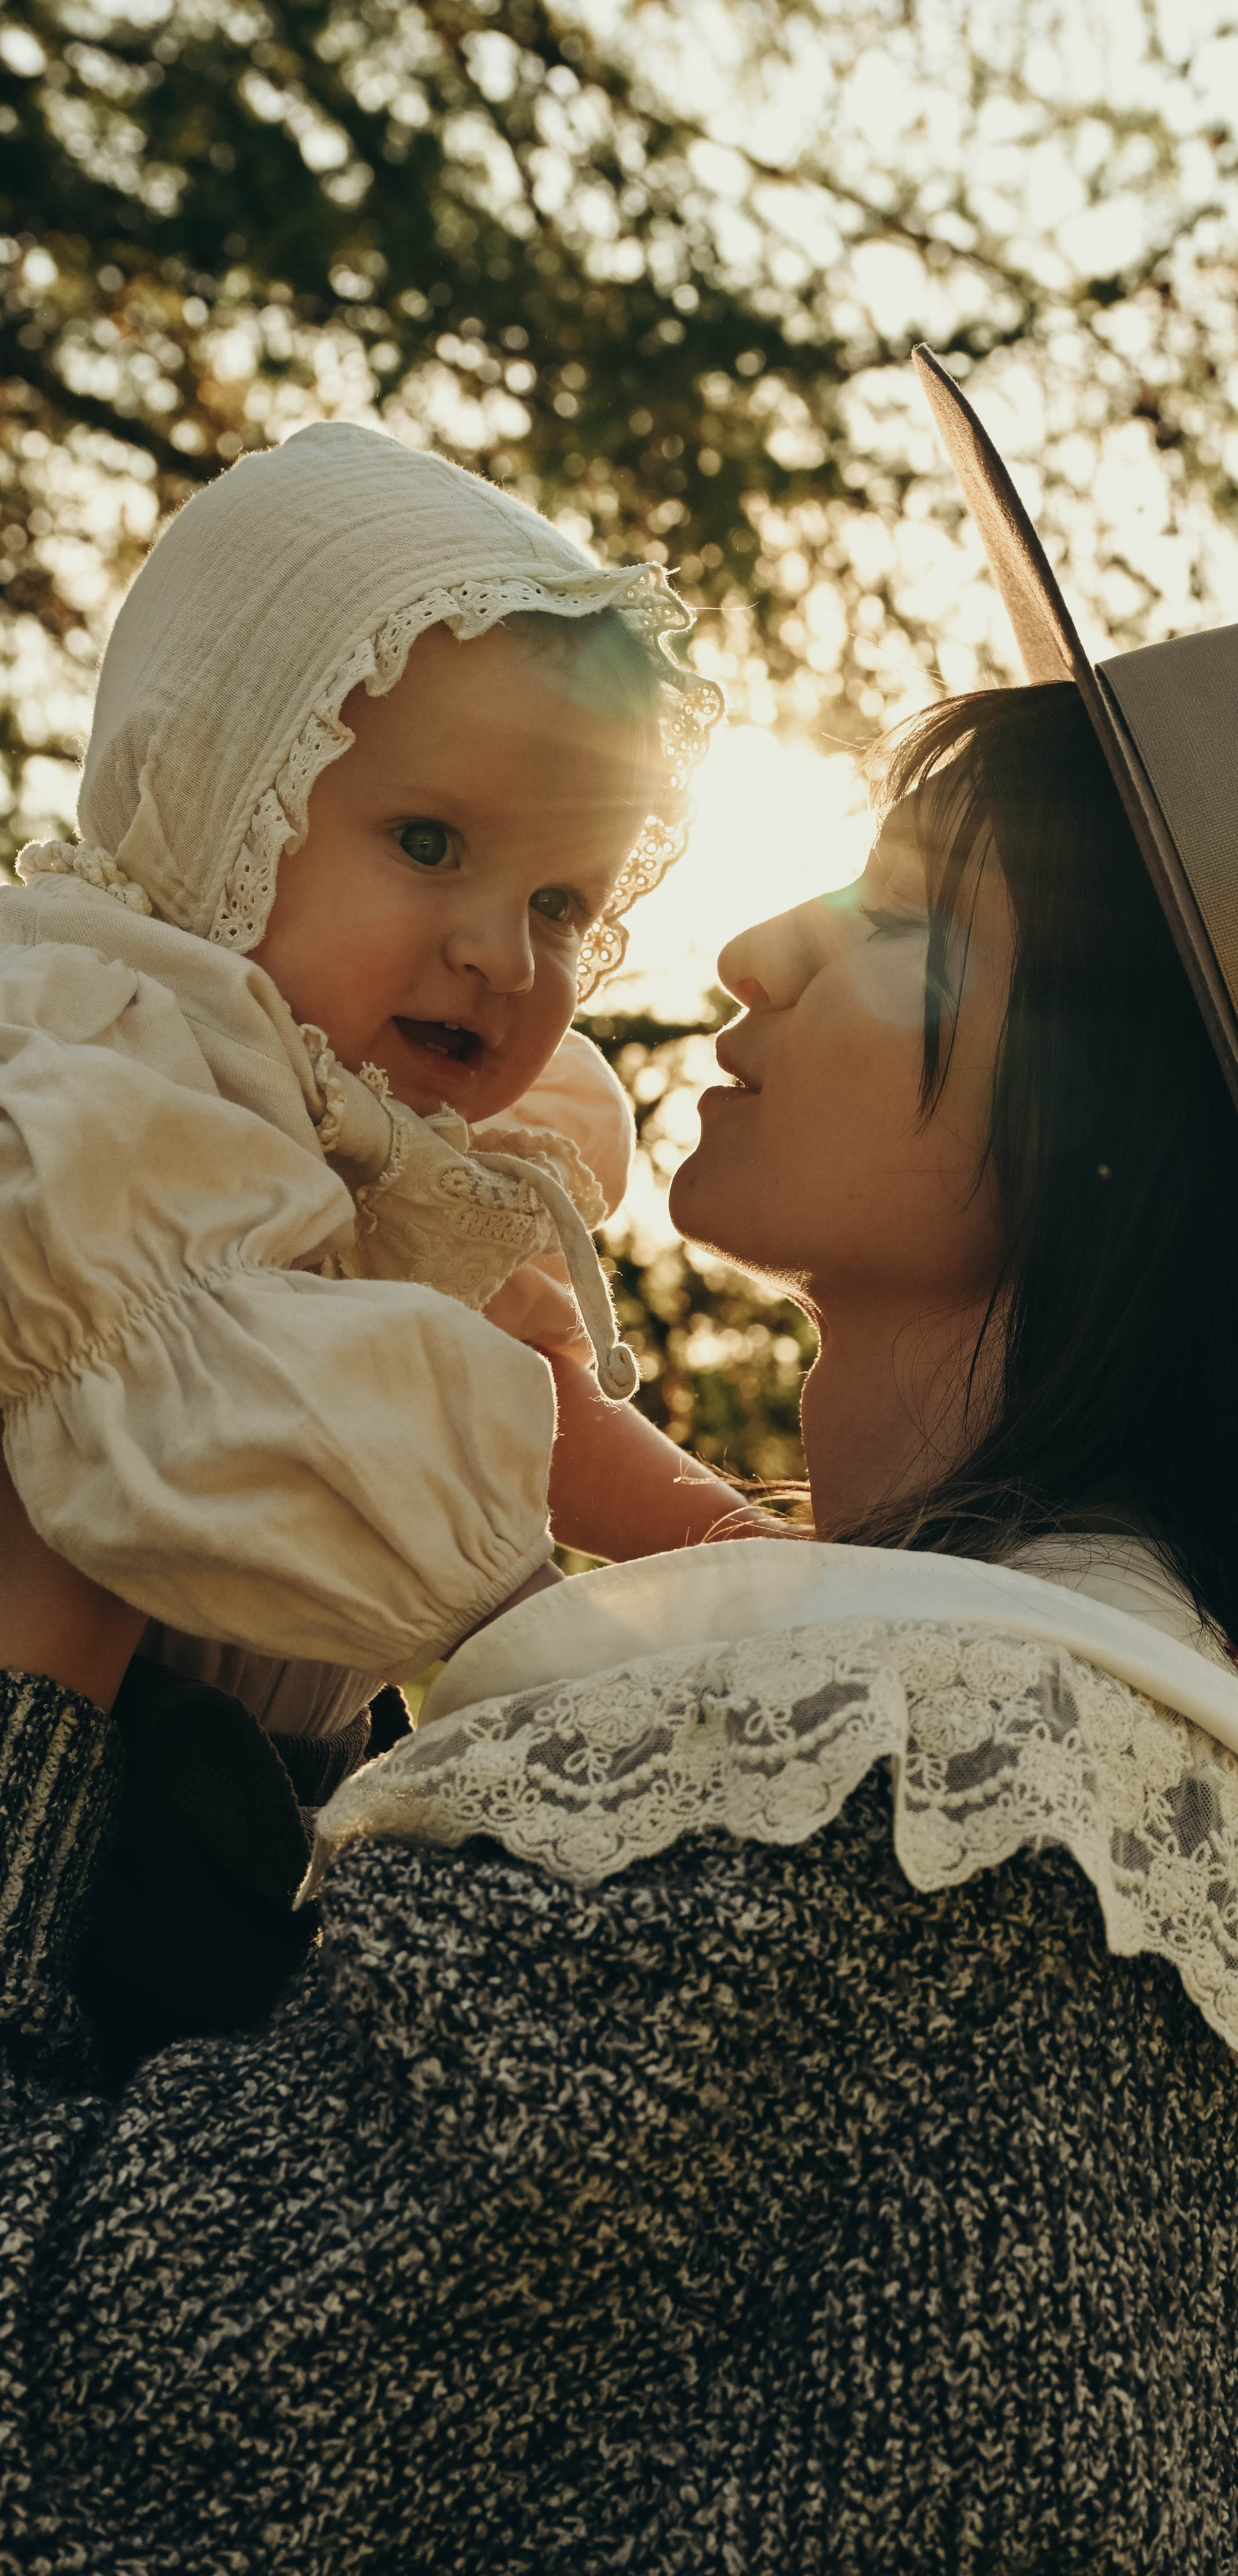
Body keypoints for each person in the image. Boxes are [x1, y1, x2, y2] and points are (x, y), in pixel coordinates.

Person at [0, 360, 1238, 2573]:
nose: (740, 947)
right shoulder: (1069, 1777)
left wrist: (39, 1649)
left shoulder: (908, 1804)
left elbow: (74, 2414)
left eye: (911, 923)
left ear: (1108, 1140)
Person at [0, 421, 746, 2070]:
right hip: (87, 1751)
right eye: (428, 845)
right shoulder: (106, 1047)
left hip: (251, 1794)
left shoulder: (394, 1149)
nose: (498, 951)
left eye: (563, 903)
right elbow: (274, 1413)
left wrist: (745, 1554)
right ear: (219, 798)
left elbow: (542, 1403)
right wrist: (546, 1620)